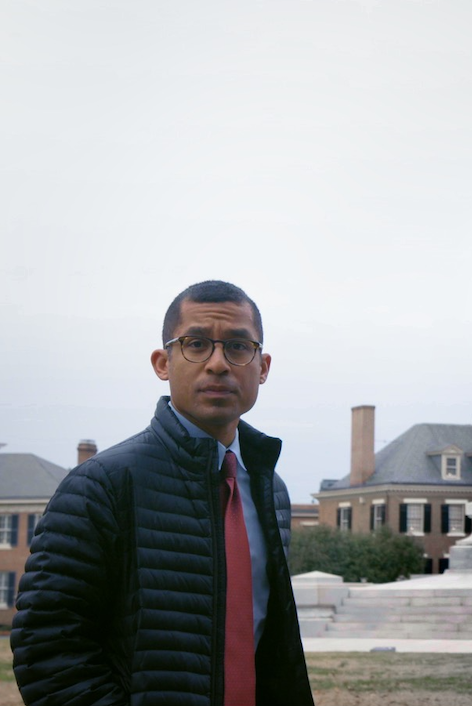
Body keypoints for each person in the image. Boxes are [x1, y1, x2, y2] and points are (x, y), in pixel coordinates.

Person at [11, 280, 315, 706]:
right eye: (195, 344)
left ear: (262, 367)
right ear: (163, 362)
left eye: (238, 347)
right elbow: (47, 646)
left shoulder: (271, 492)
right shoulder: (102, 484)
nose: (218, 363)